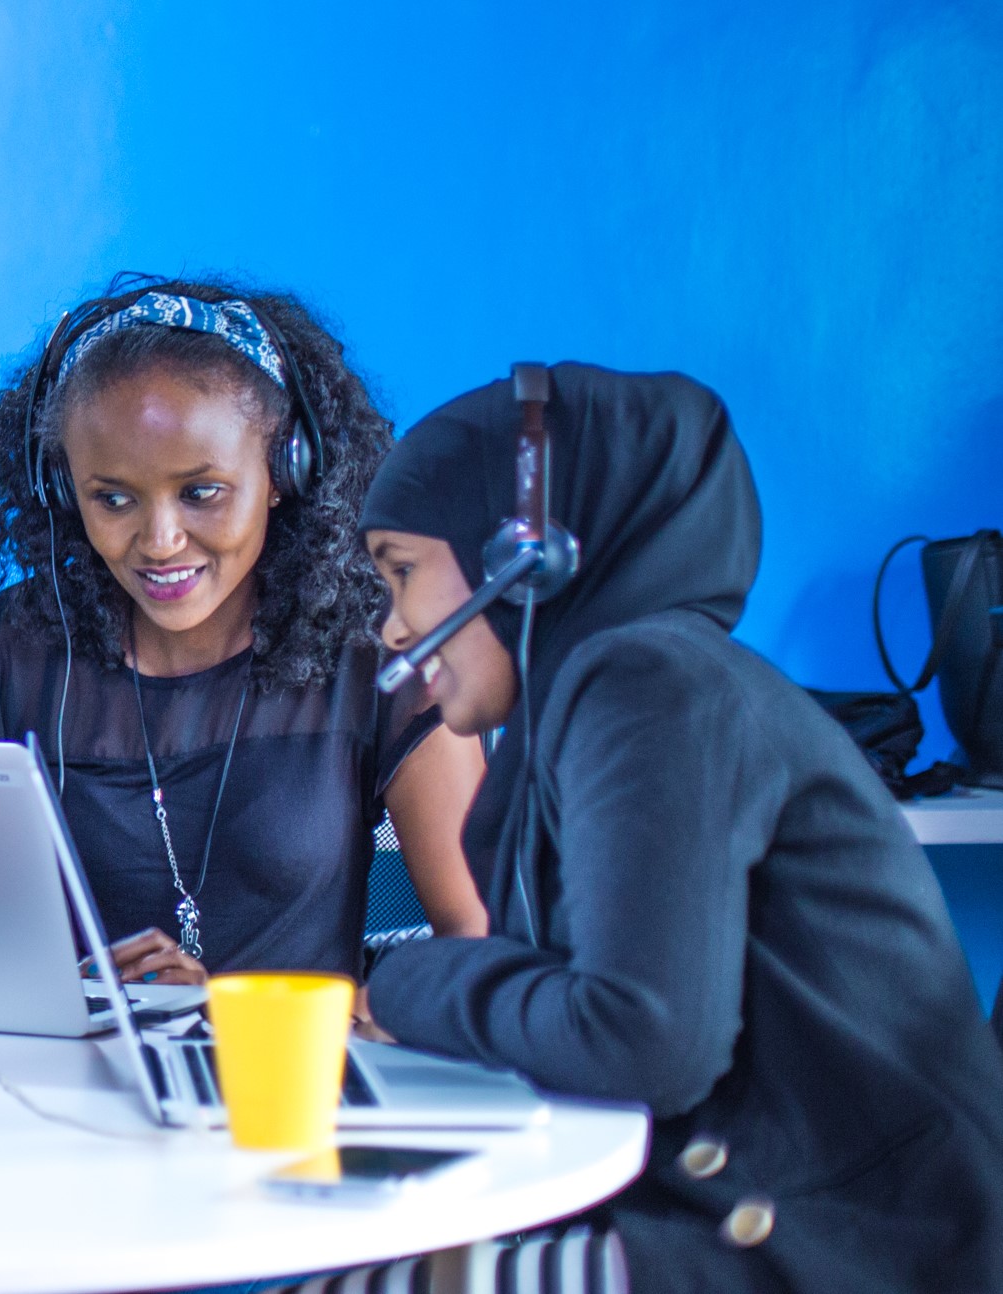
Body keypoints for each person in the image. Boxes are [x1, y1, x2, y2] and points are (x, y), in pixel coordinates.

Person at [349, 363, 1003, 1289]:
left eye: (402, 572)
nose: (391, 627)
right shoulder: (606, 697)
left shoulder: (647, 685)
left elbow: (642, 1040)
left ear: (525, 559)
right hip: (754, 1217)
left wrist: (407, 981)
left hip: (849, 1249)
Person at [0, 278, 486, 983]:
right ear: (63, 490)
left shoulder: (384, 657)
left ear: (283, 471)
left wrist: (290, 1019)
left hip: (293, 1085)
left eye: (201, 492)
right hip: (59, 1084)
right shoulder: (13, 656)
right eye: (112, 498)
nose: (161, 539)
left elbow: (480, 945)